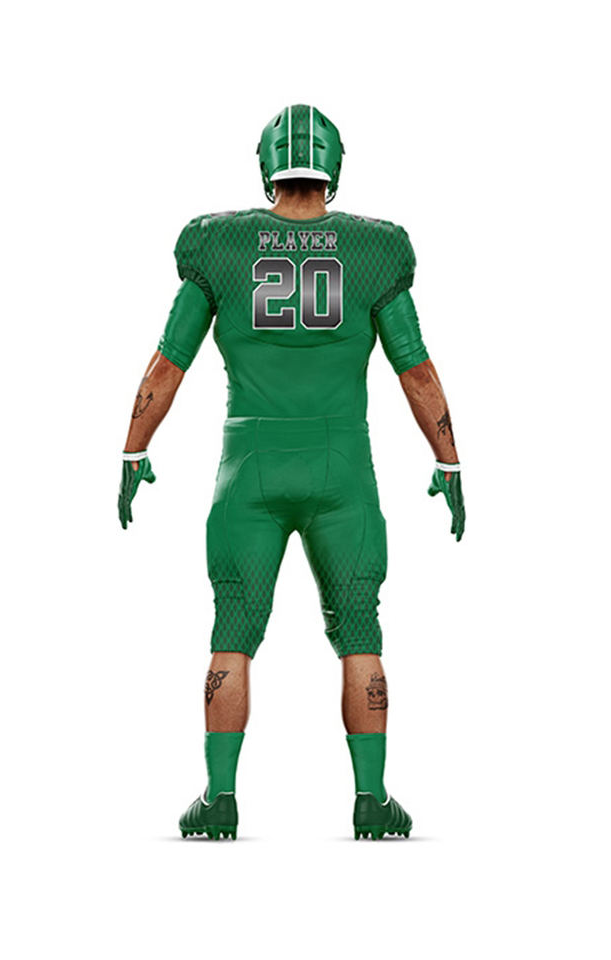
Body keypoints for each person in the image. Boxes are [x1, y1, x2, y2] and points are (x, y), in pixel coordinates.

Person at [119, 104, 464, 840]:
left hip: (249, 465)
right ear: (333, 165)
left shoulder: (221, 245)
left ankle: (219, 797)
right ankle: (372, 799)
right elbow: (416, 370)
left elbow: (167, 364)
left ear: (266, 166)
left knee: (232, 632)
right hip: (343, 467)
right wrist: (449, 457)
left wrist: (133, 449)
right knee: (361, 632)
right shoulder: (373, 250)